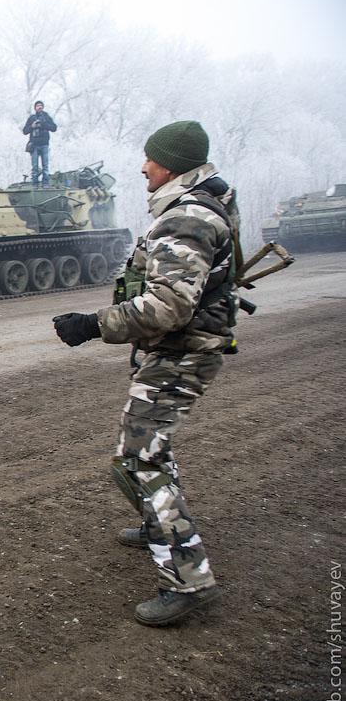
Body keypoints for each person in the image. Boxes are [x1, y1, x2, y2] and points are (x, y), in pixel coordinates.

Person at [52, 120, 235, 627]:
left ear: (172, 165)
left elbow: (169, 307)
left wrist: (92, 325)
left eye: (150, 159)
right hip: (181, 349)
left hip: (183, 351)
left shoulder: (187, 219)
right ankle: (159, 525)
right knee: (149, 450)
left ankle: (188, 579)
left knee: (138, 460)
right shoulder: (201, 204)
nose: (142, 167)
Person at [23, 101, 57, 187]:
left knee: (45, 165)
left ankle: (45, 183)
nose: (39, 107)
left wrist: (44, 125)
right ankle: (35, 183)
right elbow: (25, 131)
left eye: (41, 106)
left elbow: (54, 128)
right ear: (35, 108)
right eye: (38, 106)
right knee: (35, 166)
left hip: (44, 144)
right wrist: (32, 126)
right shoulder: (32, 118)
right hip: (34, 145)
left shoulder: (46, 117)